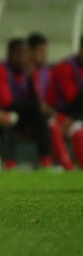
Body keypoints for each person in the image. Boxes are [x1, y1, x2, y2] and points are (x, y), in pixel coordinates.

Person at [0, 39, 51, 169]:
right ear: (10, 55)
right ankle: (9, 164)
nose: (23, 59)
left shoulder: (26, 74)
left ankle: (46, 162)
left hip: (7, 114)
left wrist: (31, 79)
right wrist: (36, 106)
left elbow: (32, 101)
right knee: (11, 119)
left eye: (26, 54)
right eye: (19, 54)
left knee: (39, 117)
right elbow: (6, 102)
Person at [46, 36, 83, 167]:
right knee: (76, 129)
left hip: (75, 116)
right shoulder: (66, 67)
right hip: (61, 114)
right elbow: (71, 99)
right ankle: (67, 166)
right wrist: (74, 117)